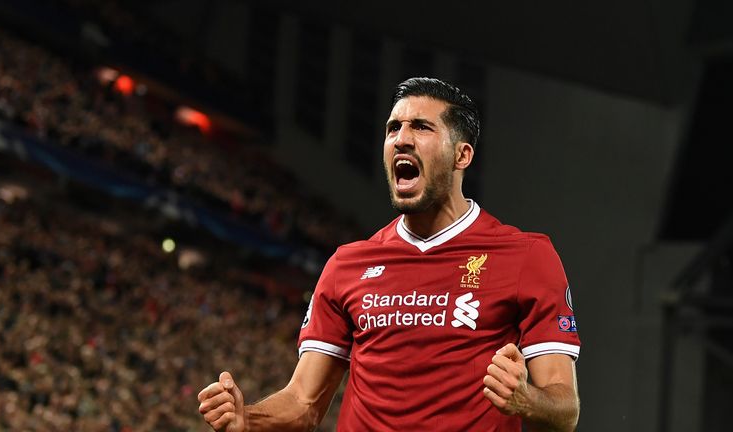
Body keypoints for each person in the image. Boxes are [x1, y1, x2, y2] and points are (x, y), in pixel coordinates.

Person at [198, 77, 581, 431]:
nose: (401, 138)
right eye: (393, 128)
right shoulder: (347, 264)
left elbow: (566, 410)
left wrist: (526, 400)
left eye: (421, 127)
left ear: (462, 156)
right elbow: (303, 402)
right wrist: (247, 419)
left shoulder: (525, 256)